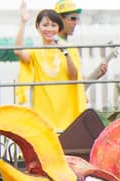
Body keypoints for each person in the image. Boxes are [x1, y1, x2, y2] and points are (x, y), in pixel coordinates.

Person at [14, 4, 89, 134]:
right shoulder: (35, 52)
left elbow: (74, 77)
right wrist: (23, 22)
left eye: (53, 25)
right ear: (38, 27)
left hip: (67, 109)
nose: (49, 29)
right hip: (44, 110)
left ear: (58, 28)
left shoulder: (69, 49)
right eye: (45, 25)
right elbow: (18, 51)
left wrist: (65, 53)